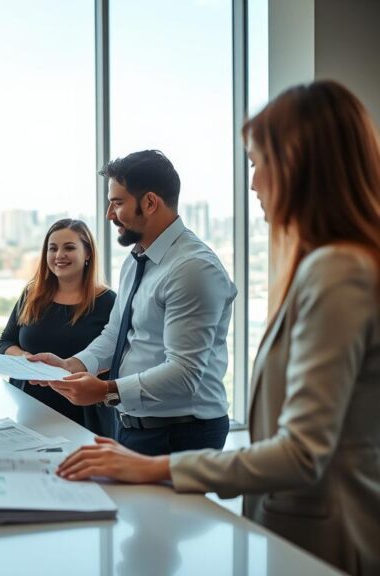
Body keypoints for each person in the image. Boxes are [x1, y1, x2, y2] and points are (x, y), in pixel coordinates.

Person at [56, 80, 380, 575]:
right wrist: (74, 369)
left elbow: (301, 451)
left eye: (257, 163)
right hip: (293, 518)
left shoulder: (336, 270)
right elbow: (118, 337)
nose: (253, 184)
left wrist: (152, 464)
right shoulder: (323, 263)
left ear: (299, 164)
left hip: (325, 533)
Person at [30, 150, 236, 455]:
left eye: (117, 203)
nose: (109, 215)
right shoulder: (138, 260)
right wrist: (71, 365)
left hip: (181, 433)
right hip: (130, 425)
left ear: (150, 203)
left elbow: (184, 373)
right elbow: (116, 335)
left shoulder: (193, 268)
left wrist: (106, 391)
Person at [0, 219, 116, 436]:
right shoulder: (32, 295)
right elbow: (6, 342)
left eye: (69, 247)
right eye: (52, 248)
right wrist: (25, 358)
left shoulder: (108, 301)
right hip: (28, 406)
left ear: (88, 253)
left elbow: (115, 356)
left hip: (83, 413)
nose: (59, 255)